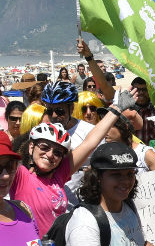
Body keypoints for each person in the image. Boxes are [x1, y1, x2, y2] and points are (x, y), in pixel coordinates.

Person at [11, 98, 121, 235]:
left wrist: (116, 109)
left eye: (57, 152)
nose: (50, 155)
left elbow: (90, 143)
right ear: (31, 147)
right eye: (44, 147)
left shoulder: (59, 176)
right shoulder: (21, 175)